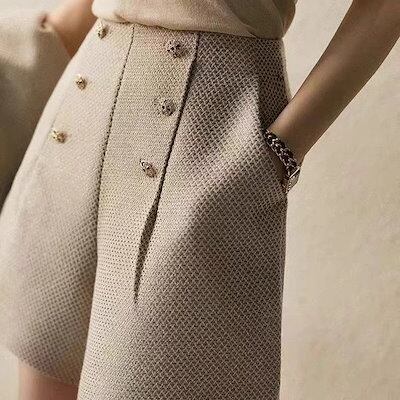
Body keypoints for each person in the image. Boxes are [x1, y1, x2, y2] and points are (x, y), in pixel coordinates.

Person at [0, 1, 398, 399]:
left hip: (206, 133)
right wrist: (50, 39)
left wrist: (282, 151)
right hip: (85, 100)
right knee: (44, 368)